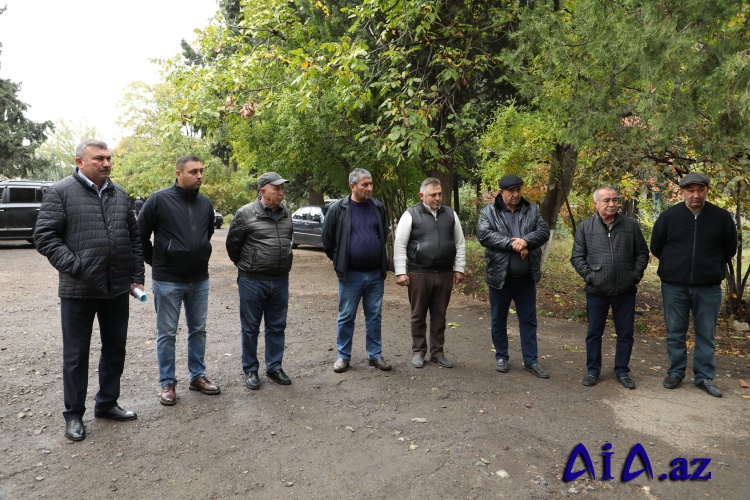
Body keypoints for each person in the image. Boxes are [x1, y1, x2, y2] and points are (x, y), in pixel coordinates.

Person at [34, 139, 145, 442]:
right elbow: (44, 237)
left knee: (114, 350)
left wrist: (136, 275)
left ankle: (107, 403)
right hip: (78, 289)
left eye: (109, 158)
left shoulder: (119, 193)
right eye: (99, 159)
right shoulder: (60, 192)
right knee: (76, 355)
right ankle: (73, 415)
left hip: (115, 289)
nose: (107, 164)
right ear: (80, 161)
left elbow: (134, 240)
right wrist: (76, 265)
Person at [137, 155, 221, 406]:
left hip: (199, 279)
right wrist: (158, 261)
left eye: (201, 171)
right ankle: (167, 382)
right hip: (168, 280)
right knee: (167, 333)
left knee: (198, 330)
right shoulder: (158, 200)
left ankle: (197, 376)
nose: (199, 176)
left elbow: (206, 234)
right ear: (178, 174)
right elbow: (140, 237)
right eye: (194, 171)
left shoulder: (205, 204)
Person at [650, 172, 737, 397]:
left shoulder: (721, 217)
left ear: (707, 190)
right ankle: (676, 372)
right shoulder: (669, 217)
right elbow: (657, 246)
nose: (695, 195)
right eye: (690, 190)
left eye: (700, 190)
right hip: (674, 287)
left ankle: (704, 377)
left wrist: (709, 268)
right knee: (675, 332)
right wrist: (676, 267)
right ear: (682, 192)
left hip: (708, 287)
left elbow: (729, 249)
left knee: (706, 334)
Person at [570, 187, 650, 389]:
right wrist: (590, 277)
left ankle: (622, 371)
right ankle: (593, 371)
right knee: (594, 333)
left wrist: (634, 276)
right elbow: (577, 257)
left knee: (625, 334)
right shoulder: (585, 227)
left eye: (615, 200)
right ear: (596, 204)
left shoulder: (631, 226)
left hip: (625, 290)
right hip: (597, 291)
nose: (612, 204)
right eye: (606, 200)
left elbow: (642, 253)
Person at [477, 174, 550, 378]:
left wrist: (526, 241)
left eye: (519, 190)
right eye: (512, 191)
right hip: (500, 277)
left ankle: (531, 360)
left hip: (526, 278)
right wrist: (513, 244)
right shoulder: (489, 212)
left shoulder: (531, 209)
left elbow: (543, 231)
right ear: (502, 192)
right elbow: (484, 235)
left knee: (528, 320)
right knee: (498, 318)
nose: (516, 194)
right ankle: (501, 356)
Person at [226, 172, 294, 390]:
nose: (281, 193)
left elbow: (288, 240)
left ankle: (274, 367)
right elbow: (232, 246)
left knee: (277, 326)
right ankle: (251, 369)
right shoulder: (245, 213)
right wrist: (249, 265)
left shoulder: (286, 213)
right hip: (252, 280)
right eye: (277, 189)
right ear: (263, 190)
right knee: (250, 327)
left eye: (283, 189)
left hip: (280, 280)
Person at [322, 168, 391, 373]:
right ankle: (343, 356)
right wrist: (340, 261)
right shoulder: (338, 208)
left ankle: (375, 355)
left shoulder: (378, 207)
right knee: (346, 316)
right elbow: (328, 240)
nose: (369, 188)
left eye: (371, 184)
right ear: (352, 186)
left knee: (374, 316)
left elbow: (383, 234)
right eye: (364, 185)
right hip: (350, 274)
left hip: (375, 274)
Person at [393, 178, 466, 368]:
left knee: (439, 315)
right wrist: (401, 272)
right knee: (418, 314)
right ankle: (418, 351)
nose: (438, 198)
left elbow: (460, 243)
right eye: (433, 194)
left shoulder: (450, 214)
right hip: (419, 273)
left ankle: (437, 352)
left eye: (440, 194)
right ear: (421, 195)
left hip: (444, 273)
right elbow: (400, 244)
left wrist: (459, 268)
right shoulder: (410, 215)